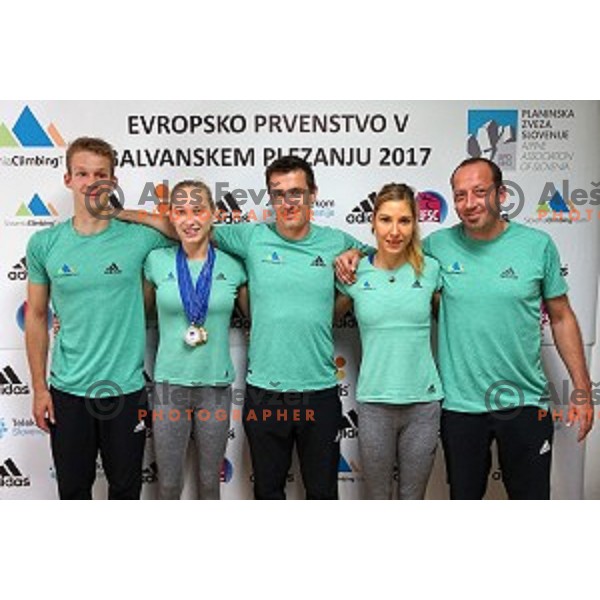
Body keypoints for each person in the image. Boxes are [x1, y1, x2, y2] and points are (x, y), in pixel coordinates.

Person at [120, 156, 371, 499]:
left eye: (296, 192)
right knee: (266, 492)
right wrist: (117, 213)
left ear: (313, 194)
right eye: (279, 194)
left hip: (321, 388)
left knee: (323, 493)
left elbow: (384, 257)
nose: (288, 202)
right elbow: (188, 226)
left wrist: (356, 255)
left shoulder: (336, 241)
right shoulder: (251, 238)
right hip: (264, 389)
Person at [421, 157, 594, 499]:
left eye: (479, 192)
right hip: (461, 406)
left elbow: (561, 316)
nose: (468, 204)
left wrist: (582, 388)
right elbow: (389, 261)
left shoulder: (537, 245)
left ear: (501, 194)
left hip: (525, 401)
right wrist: (351, 257)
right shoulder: (436, 246)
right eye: (459, 195)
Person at [25, 136, 173, 500]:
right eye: (83, 173)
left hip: (124, 391)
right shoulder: (45, 243)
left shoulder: (138, 238)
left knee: (125, 491)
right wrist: (40, 389)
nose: (92, 182)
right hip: (67, 392)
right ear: (68, 179)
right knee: (74, 492)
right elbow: (37, 316)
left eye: (101, 174)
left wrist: (122, 213)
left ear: (113, 180)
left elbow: (185, 230)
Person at [335, 183, 443, 499]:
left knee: (412, 498)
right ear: (373, 222)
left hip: (423, 404)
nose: (394, 231)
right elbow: (323, 320)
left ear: (415, 224)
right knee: (377, 498)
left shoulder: (432, 270)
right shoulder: (353, 275)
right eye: (385, 220)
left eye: (404, 221)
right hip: (374, 405)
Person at [142, 180, 247, 499]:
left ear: (213, 214)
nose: (190, 220)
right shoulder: (156, 261)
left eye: (198, 210)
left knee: (209, 483)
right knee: (169, 484)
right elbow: (134, 314)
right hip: (169, 385)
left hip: (214, 387)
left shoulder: (233, 264)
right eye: (181, 211)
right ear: (171, 217)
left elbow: (262, 317)